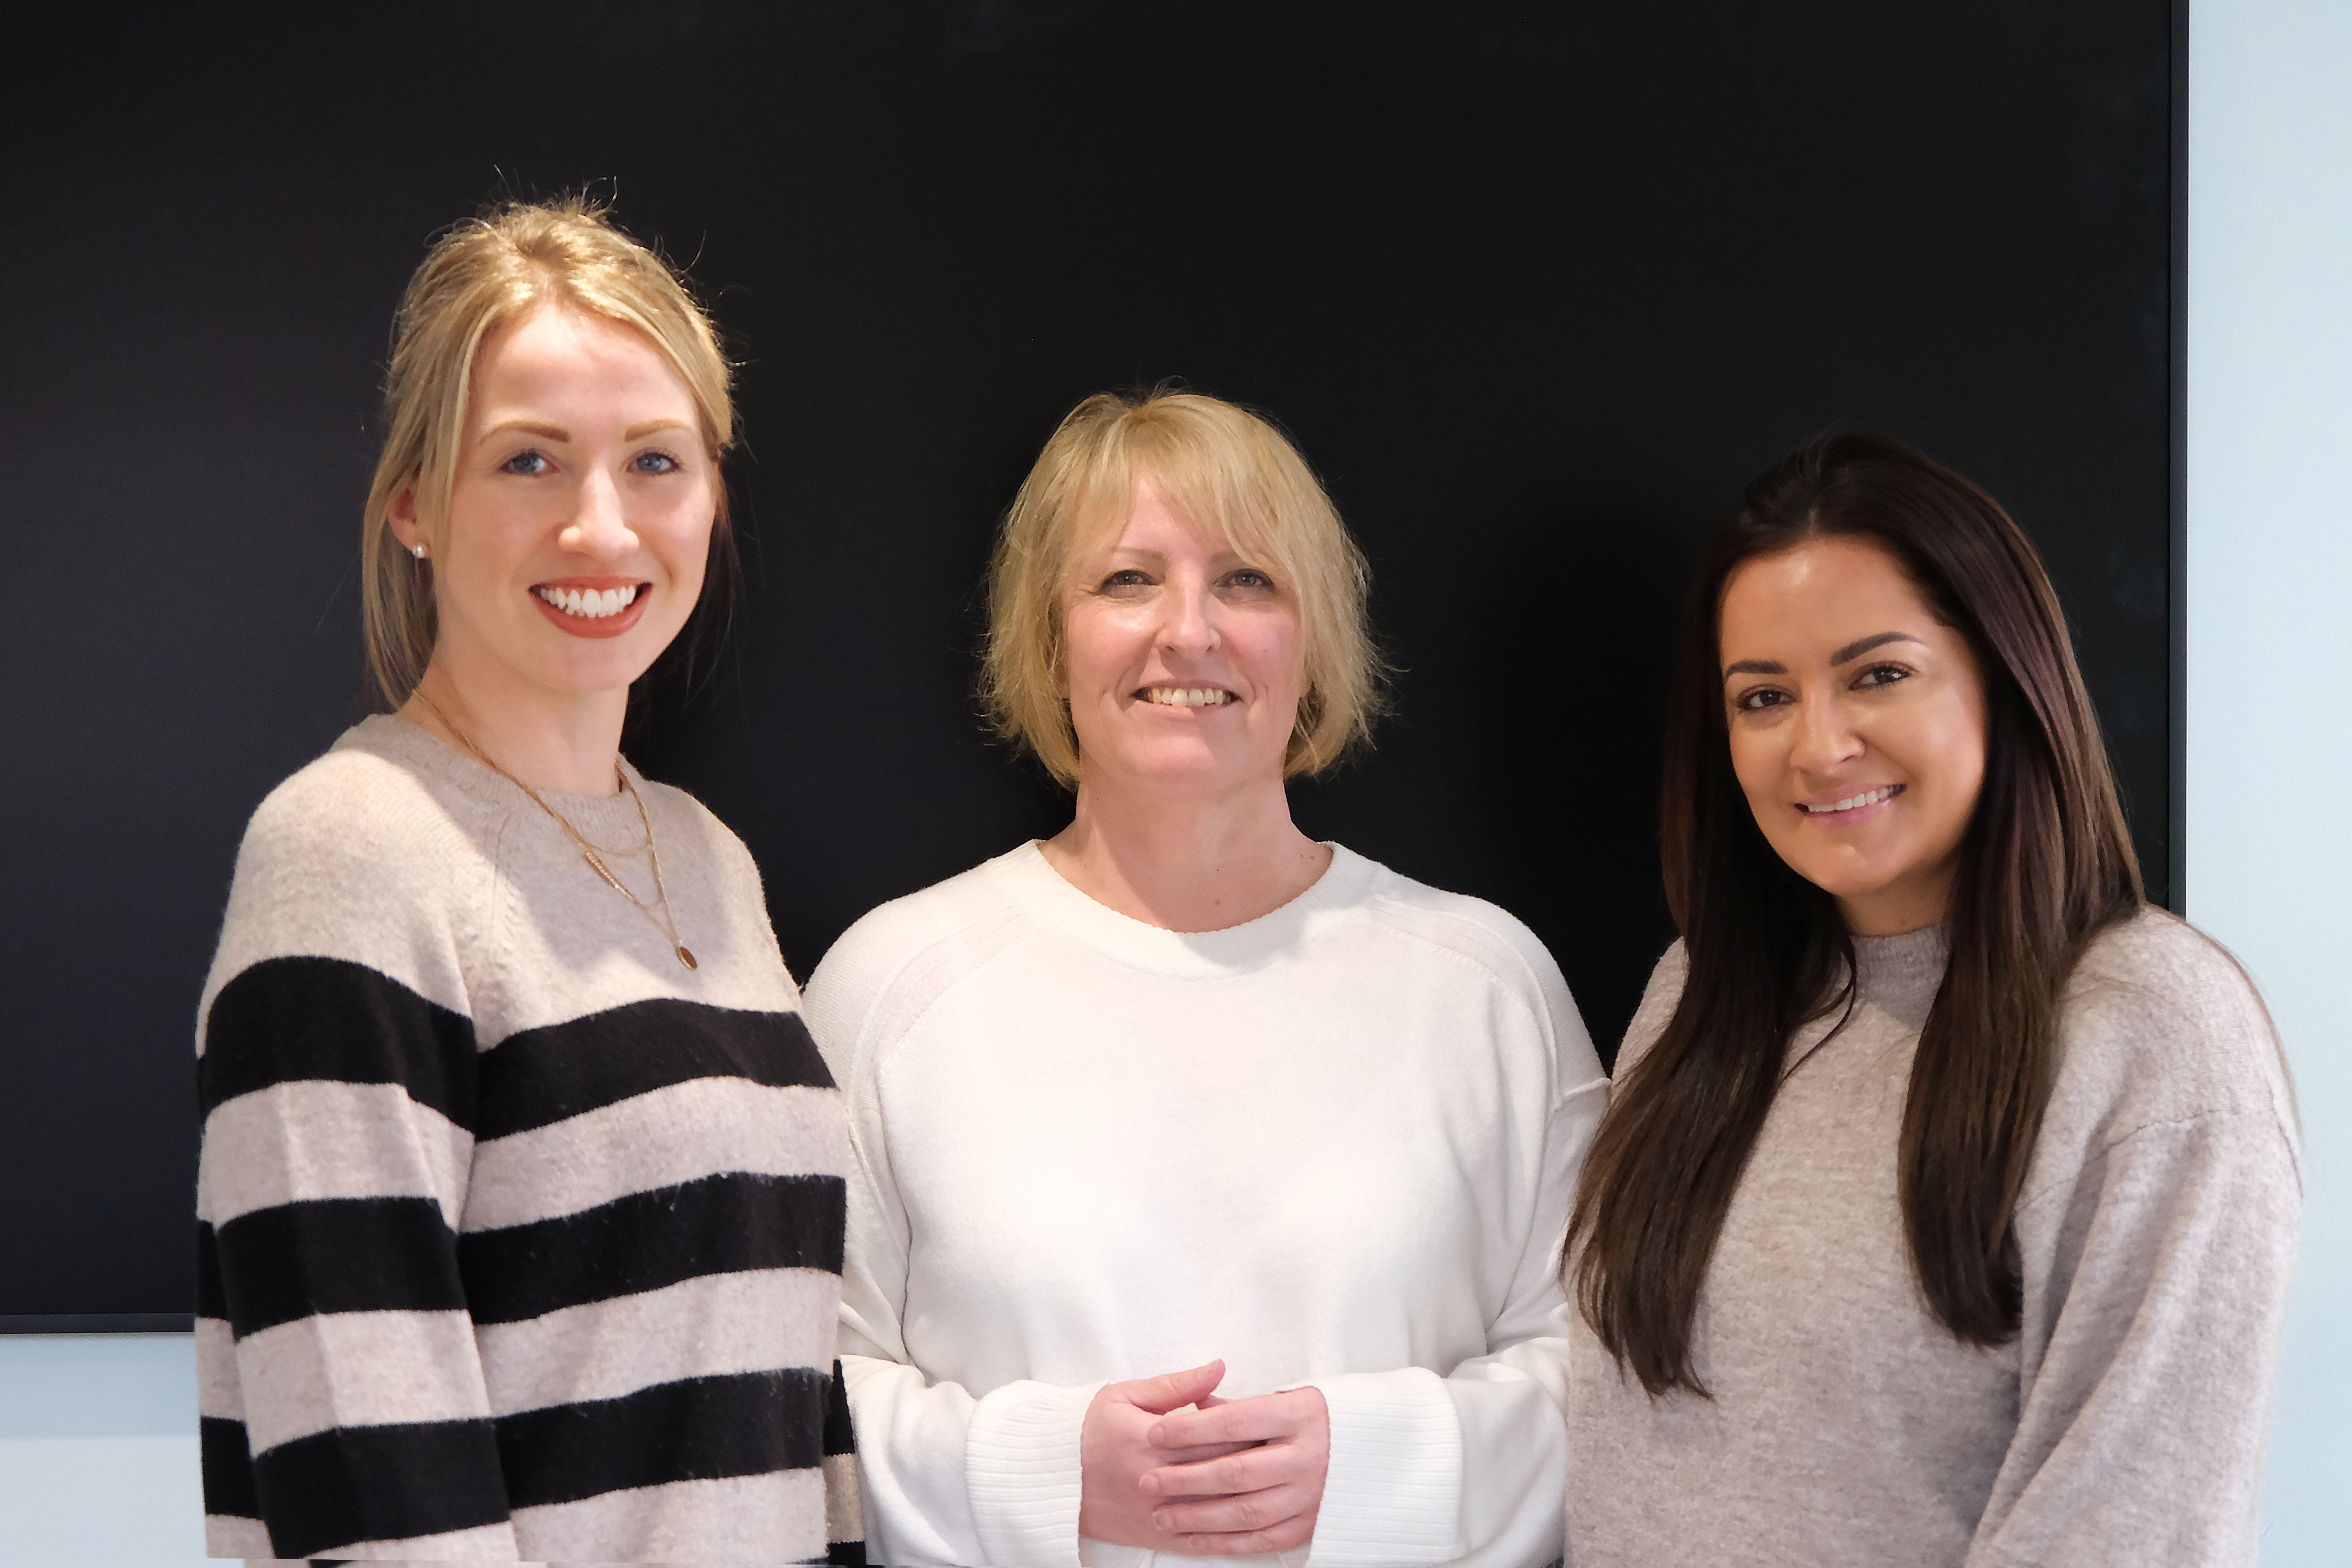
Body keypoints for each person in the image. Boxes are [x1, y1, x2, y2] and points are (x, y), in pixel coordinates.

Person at [802, 388, 1606, 1567]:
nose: (1190, 631)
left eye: (1248, 581)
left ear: (1314, 639)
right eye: (1127, 581)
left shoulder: (1487, 985)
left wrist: (1377, 1462)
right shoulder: (890, 986)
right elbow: (795, 1387)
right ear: (1049, 641)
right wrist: (1046, 1475)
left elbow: (1613, 1373)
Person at [192, 198, 860, 1564]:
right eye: (530, 463)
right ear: (415, 504)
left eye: (655, 461)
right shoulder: (350, 852)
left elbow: (789, 1394)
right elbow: (367, 1470)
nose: (602, 528)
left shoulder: (703, 857)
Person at [1561, 430, 2300, 1566]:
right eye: (1764, 697)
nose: (1818, 745)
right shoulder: (1699, 996)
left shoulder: (2151, 1037)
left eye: (1879, 675)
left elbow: (2127, 1537)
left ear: (2006, 676)